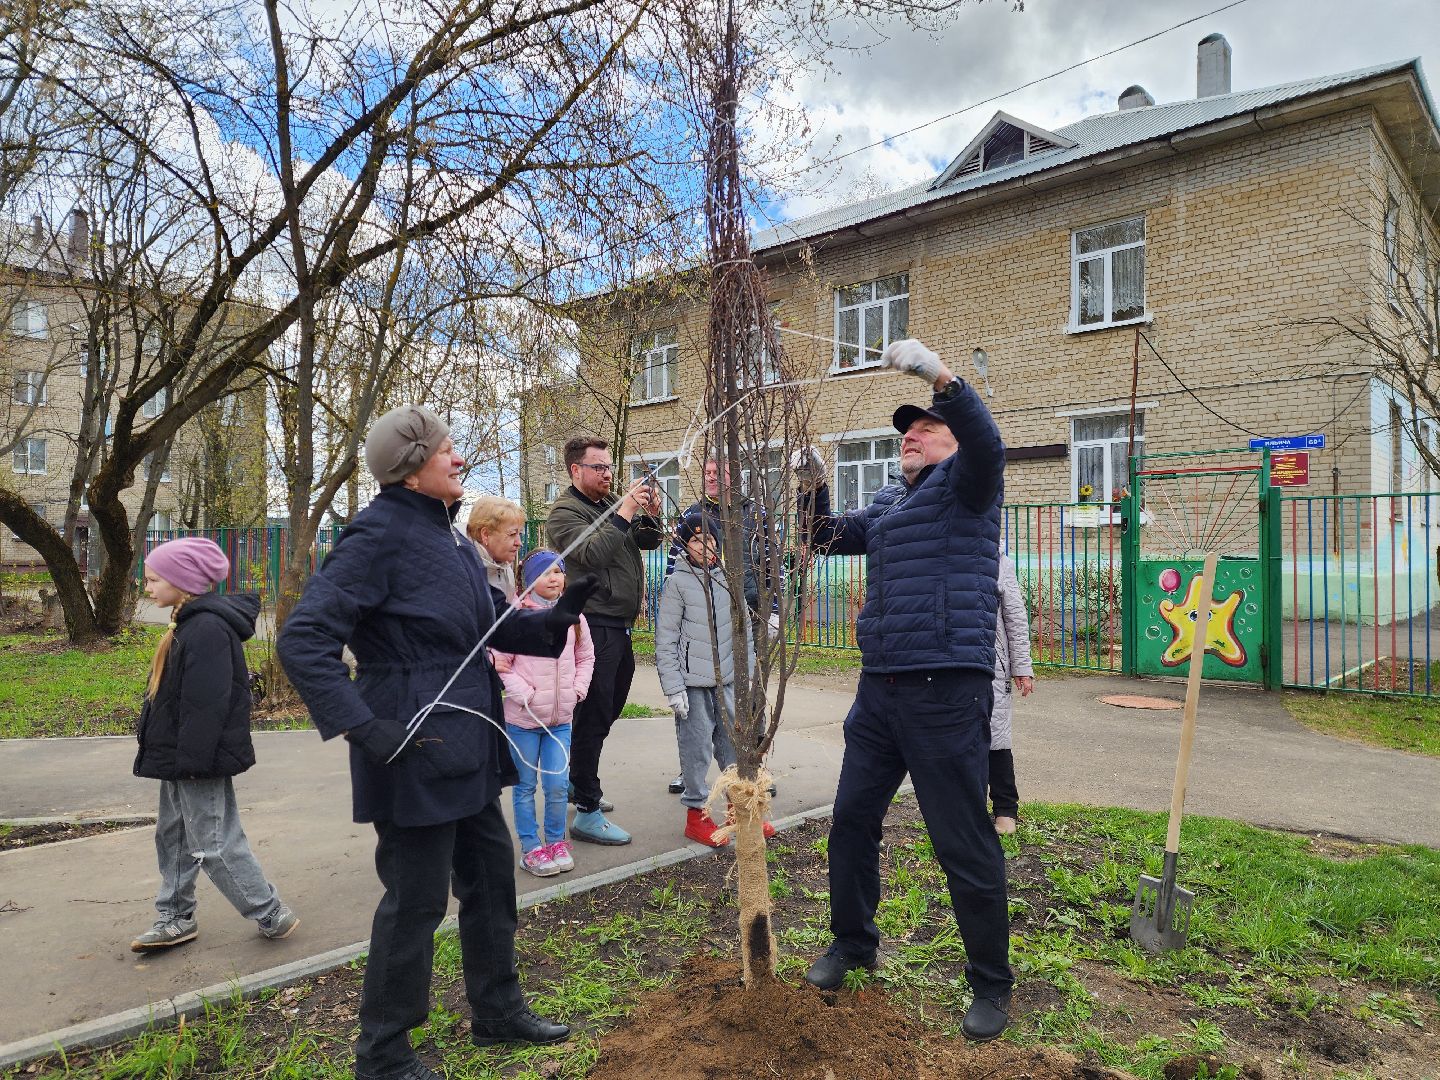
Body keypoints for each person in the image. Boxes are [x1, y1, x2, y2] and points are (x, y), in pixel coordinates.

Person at [278, 405, 595, 1080]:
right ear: (411, 466)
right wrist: (366, 727)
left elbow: (482, 631)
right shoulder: (376, 537)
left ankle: (497, 1012)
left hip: (468, 745)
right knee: (416, 905)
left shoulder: (450, 538)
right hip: (412, 747)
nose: (459, 459)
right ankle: (384, 1055)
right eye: (447, 450)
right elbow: (303, 640)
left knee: (491, 885)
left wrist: (554, 622)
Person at [797, 338, 1015, 1043]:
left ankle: (991, 983)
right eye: (905, 431)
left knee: (961, 839)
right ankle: (852, 943)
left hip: (945, 692)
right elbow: (827, 536)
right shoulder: (892, 501)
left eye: (924, 426)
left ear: (952, 440)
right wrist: (811, 484)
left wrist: (940, 377)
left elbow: (988, 442)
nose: (909, 436)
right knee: (851, 821)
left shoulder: (971, 487)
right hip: (880, 692)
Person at [130, 537, 297, 952]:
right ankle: (175, 915)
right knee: (173, 835)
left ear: (181, 581)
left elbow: (207, 705)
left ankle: (270, 912)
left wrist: (190, 761)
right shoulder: (188, 623)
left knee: (212, 843)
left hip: (196, 759)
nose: (146, 587)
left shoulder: (205, 629)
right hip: (180, 757)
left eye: (153, 579)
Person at [544, 436, 664, 845]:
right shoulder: (563, 513)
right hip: (594, 623)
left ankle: (577, 784)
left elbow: (646, 542)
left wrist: (650, 516)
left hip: (621, 624)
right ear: (576, 470)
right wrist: (626, 510)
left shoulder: (610, 504)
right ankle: (587, 811)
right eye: (599, 467)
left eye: (610, 466)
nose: (608, 474)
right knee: (595, 713)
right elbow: (592, 554)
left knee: (608, 709)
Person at [662, 454, 781, 795]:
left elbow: (773, 564)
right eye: (708, 473)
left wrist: (772, 610)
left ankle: (751, 764)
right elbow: (674, 568)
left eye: (719, 472)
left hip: (751, 613)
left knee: (750, 693)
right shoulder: (692, 516)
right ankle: (690, 771)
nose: (712, 478)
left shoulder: (756, 514)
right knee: (696, 705)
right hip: (702, 619)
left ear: (735, 476)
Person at [654, 513, 775, 848]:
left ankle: (740, 811)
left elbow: (744, 633)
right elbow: (665, 638)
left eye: (710, 540)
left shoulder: (728, 580)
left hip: (728, 684)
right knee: (696, 751)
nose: (704, 546)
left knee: (732, 748)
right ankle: (697, 817)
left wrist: (749, 677)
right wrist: (674, 687)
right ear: (684, 545)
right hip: (692, 685)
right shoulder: (677, 583)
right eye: (695, 540)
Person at [493, 550, 594, 877]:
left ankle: (555, 841)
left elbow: (586, 658)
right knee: (524, 787)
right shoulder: (515, 615)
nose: (554, 578)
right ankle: (531, 847)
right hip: (522, 722)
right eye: (546, 572)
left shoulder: (576, 618)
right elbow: (500, 662)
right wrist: (523, 694)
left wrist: (577, 691)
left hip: (560, 722)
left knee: (556, 784)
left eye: (559, 571)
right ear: (528, 578)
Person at [991, 552, 1035, 835]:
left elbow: (1015, 619)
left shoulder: (1000, 562)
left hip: (992, 665)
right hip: (949, 665)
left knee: (996, 738)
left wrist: (1021, 667)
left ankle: (1005, 810)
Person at [467, 495, 526, 603]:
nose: (519, 543)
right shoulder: (464, 571)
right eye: (512, 534)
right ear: (485, 534)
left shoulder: (506, 568)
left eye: (520, 534)